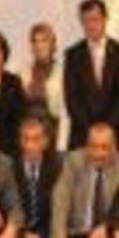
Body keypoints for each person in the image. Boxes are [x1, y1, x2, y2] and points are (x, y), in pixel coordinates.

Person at [50, 122, 119, 238]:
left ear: (114, 148)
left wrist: (108, 227)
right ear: (86, 146)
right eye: (93, 146)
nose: (98, 153)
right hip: (77, 232)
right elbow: (60, 202)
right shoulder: (73, 161)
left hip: (107, 234)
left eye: (104, 147)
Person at [9, 115, 63, 238]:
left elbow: (60, 210)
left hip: (43, 234)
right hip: (17, 233)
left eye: (36, 139)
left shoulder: (58, 167)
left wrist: (41, 236)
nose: (30, 145)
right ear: (20, 141)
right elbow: (5, 206)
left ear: (46, 142)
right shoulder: (10, 166)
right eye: (26, 139)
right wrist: (21, 234)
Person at [63, 0, 119, 149]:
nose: (91, 25)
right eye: (86, 21)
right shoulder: (72, 54)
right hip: (82, 135)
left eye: (95, 19)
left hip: (114, 134)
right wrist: (91, 131)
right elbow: (72, 97)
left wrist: (108, 129)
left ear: (105, 19)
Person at [21, 22, 70, 151]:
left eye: (44, 41)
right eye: (35, 41)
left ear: (53, 44)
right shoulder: (22, 71)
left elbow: (65, 112)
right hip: (28, 136)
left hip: (52, 134)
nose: (39, 46)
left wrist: (61, 146)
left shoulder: (64, 72)